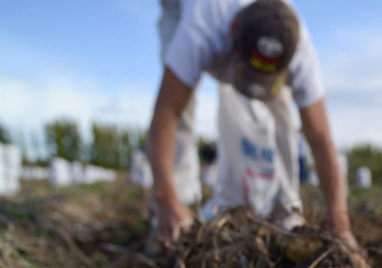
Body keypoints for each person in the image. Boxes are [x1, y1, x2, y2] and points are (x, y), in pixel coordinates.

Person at [148, 0, 360, 251]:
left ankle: (285, 210)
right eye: (252, 71)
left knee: (280, 107)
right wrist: (165, 197)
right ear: (234, 32)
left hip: (254, 40)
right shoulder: (199, 31)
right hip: (183, 8)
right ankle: (173, 217)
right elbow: (165, 117)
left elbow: (321, 138)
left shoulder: (301, 51)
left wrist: (340, 221)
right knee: (182, 112)